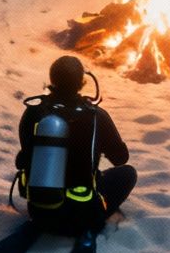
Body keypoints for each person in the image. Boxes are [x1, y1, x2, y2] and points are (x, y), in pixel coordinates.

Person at [15, 56, 134, 234]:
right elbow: (121, 158)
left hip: (39, 212)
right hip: (82, 217)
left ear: (52, 79)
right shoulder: (96, 115)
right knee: (128, 173)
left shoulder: (33, 112)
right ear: (82, 82)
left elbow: (21, 161)